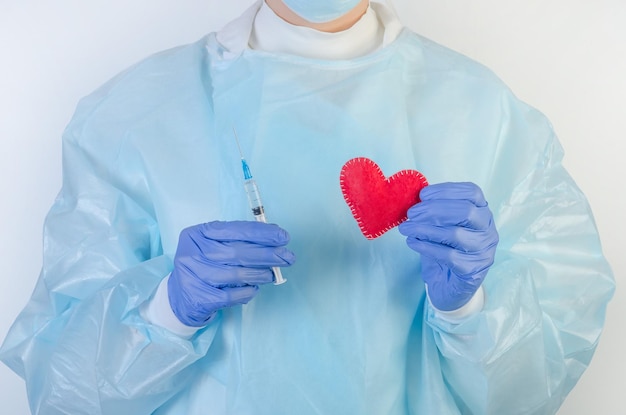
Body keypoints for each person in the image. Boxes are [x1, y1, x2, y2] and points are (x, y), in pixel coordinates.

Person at [0, 0, 615, 414]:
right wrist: (167, 309)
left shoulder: (485, 114)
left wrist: (469, 308)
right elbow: (65, 391)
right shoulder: (136, 115)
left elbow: (532, 387)